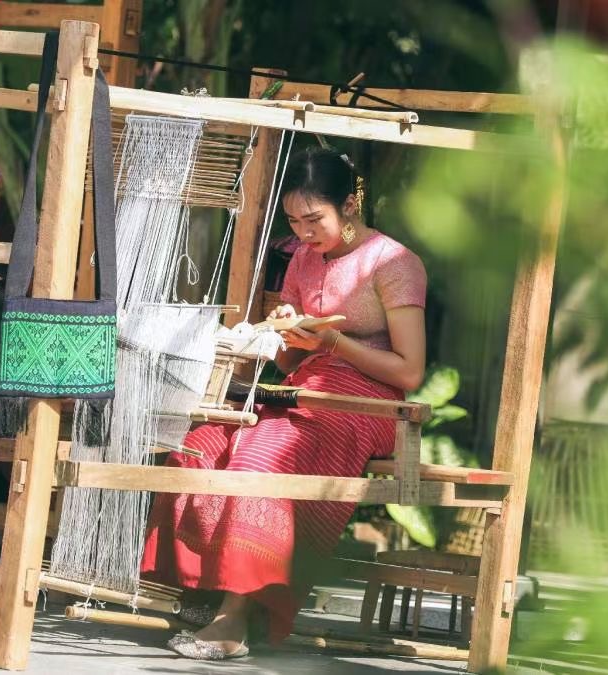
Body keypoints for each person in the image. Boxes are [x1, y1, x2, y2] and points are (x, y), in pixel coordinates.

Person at [140, 146, 427, 660]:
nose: (304, 233)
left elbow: (409, 371)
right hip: (307, 387)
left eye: (314, 219)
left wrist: (332, 344)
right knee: (203, 441)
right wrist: (289, 334)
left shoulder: (394, 262)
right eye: (294, 221)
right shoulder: (301, 258)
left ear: (351, 202)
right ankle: (202, 591)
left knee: (264, 456)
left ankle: (235, 621)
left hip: (371, 403)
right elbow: (294, 366)